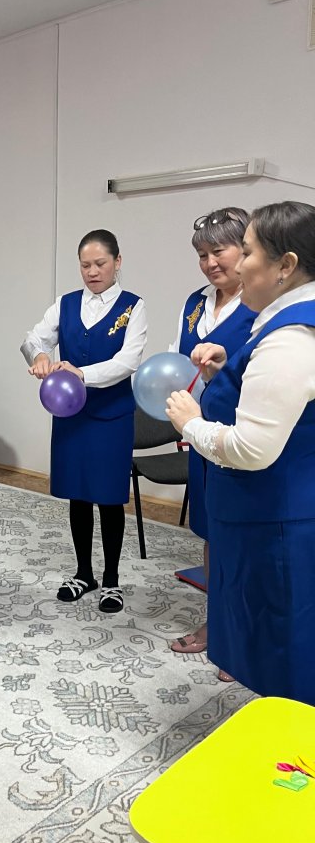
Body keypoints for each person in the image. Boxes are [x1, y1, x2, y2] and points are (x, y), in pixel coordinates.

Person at [166, 201, 315, 703]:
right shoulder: (289, 323)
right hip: (281, 508)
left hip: (277, 519)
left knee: (285, 655)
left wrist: (192, 423)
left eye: (245, 252)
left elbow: (251, 448)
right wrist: (227, 369)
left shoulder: (292, 337)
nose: (236, 265)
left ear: (286, 265)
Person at [22, 230, 147, 613]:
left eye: (100, 264)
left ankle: (111, 580)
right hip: (71, 416)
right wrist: (39, 357)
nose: (92, 272)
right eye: (85, 265)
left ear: (117, 262)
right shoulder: (65, 304)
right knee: (78, 494)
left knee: (108, 498)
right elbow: (33, 338)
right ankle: (83, 573)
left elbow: (128, 361)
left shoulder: (133, 306)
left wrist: (81, 374)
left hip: (112, 417)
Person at [167, 208, 256, 665]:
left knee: (245, 536)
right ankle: (218, 622)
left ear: (247, 250)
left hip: (241, 438)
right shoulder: (195, 303)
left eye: (219, 251)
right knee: (211, 530)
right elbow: (175, 360)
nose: (210, 263)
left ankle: (245, 636)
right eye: (202, 254)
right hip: (199, 437)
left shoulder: (263, 305)